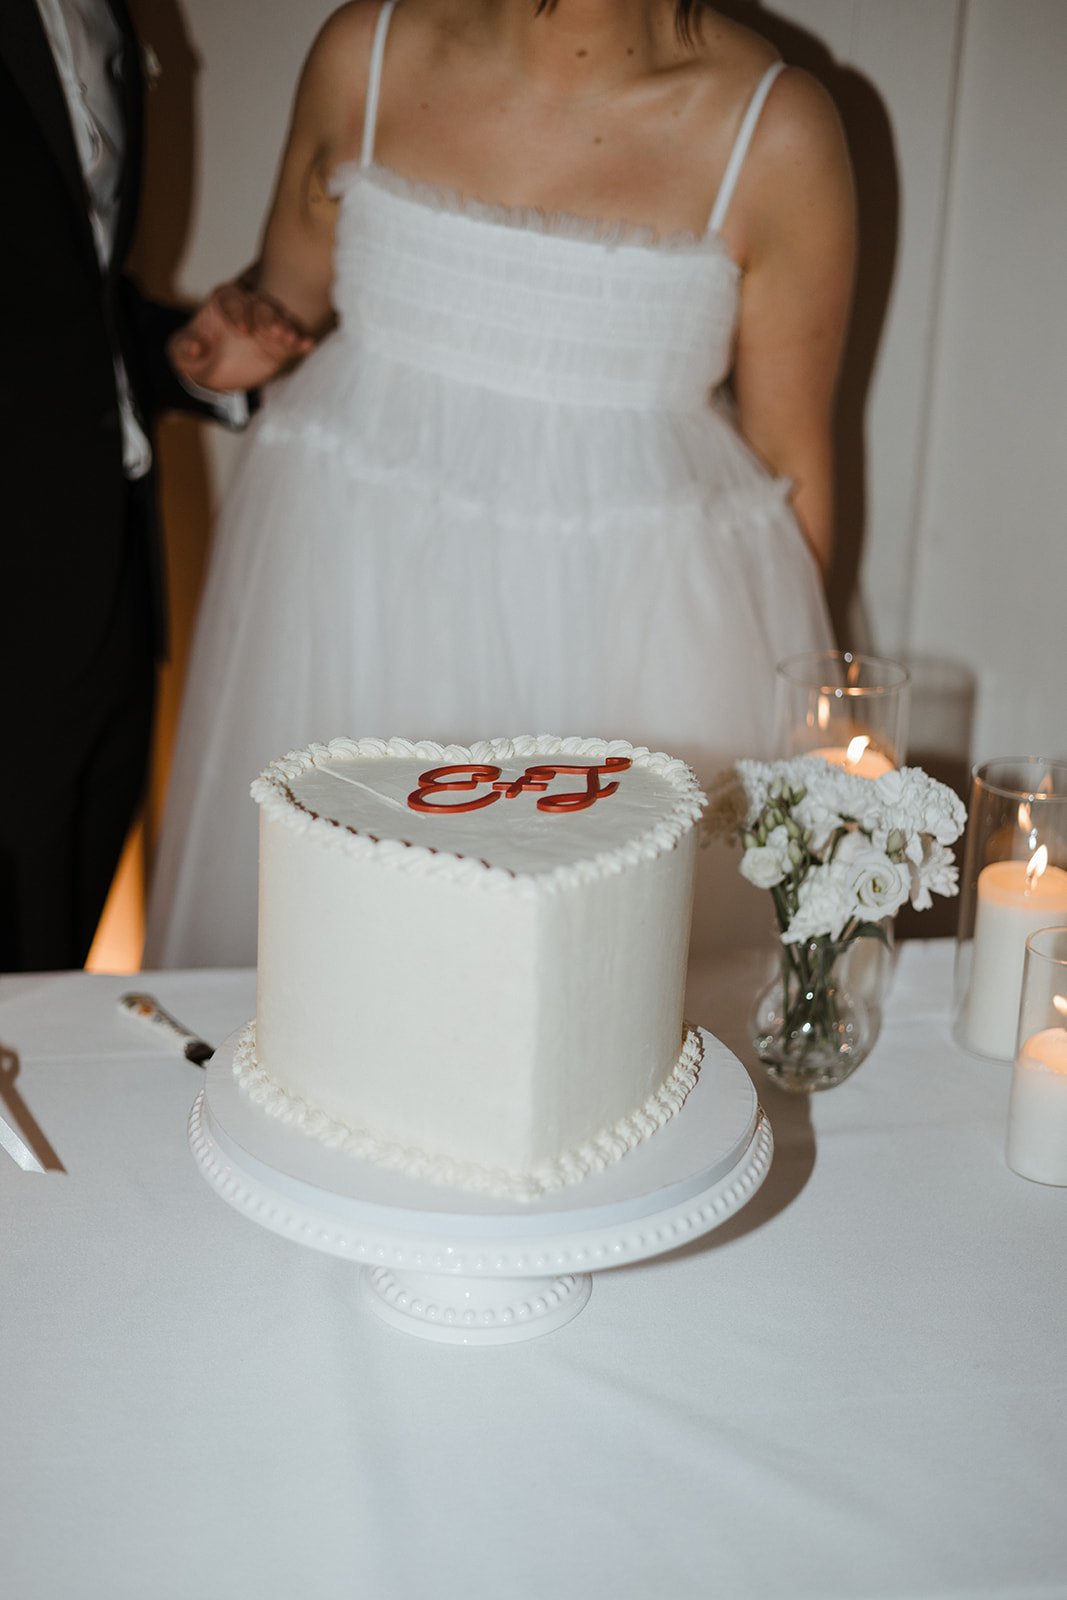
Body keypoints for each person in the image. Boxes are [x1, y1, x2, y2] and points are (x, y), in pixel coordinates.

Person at [145, 0, 855, 968]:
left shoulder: (773, 127)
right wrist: (242, 329)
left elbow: (792, 465)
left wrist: (809, 753)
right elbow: (292, 294)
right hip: (352, 614)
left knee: (588, 1010)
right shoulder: (367, 52)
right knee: (334, 979)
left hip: (626, 664)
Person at [0, 0, 306, 972]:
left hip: (105, 591)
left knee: (49, 994)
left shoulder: (111, 20)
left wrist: (176, 356)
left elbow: (61, 295)